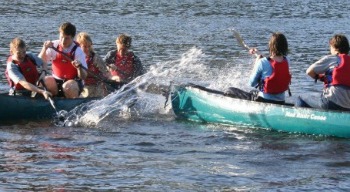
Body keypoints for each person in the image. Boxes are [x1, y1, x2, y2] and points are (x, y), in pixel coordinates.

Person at [225, 32, 291, 104]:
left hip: (263, 101)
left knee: (229, 90)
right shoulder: (287, 60)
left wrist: (257, 62)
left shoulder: (262, 62)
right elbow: (272, 60)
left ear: (271, 46)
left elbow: (252, 83)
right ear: (285, 46)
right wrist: (258, 54)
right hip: (281, 101)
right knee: (253, 92)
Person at [296, 34, 350, 111]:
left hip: (330, 102)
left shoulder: (332, 58)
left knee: (301, 99)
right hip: (348, 106)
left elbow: (309, 71)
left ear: (334, 48)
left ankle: (299, 121)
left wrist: (319, 77)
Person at [39, 22, 87, 98]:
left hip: (73, 83)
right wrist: (44, 49)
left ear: (72, 37)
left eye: (67, 38)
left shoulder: (78, 51)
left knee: (68, 86)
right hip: (56, 80)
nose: (63, 41)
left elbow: (83, 76)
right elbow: (39, 61)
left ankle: (73, 104)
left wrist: (79, 68)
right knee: (45, 80)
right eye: (61, 37)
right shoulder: (54, 46)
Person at [76, 32, 110, 97]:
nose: (88, 49)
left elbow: (106, 73)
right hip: (82, 86)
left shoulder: (95, 57)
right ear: (79, 46)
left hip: (96, 86)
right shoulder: (76, 58)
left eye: (89, 46)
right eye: (85, 46)